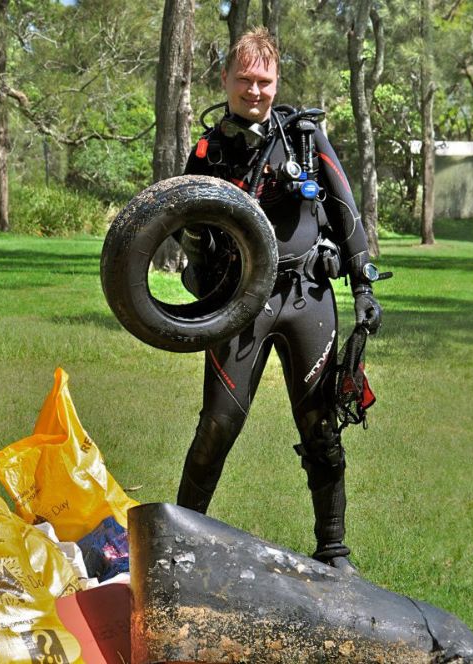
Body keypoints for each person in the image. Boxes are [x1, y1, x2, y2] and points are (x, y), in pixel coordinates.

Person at [174, 27, 382, 572]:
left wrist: (363, 285)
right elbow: (180, 223)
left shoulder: (305, 138)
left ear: (276, 81)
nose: (255, 90)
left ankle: (333, 549)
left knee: (321, 428)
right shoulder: (209, 150)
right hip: (240, 301)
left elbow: (345, 207)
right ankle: (180, 541)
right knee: (217, 424)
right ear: (224, 80)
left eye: (263, 80)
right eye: (243, 79)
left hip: (307, 294)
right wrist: (197, 257)